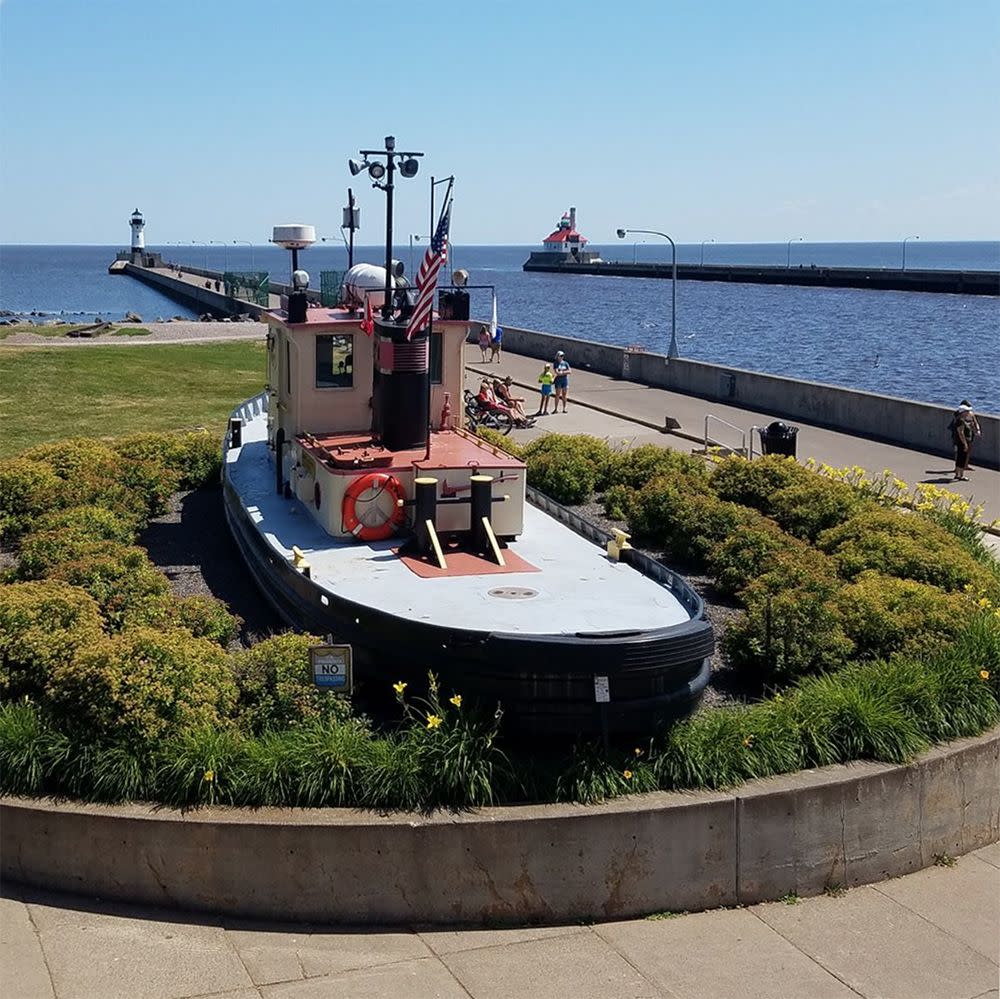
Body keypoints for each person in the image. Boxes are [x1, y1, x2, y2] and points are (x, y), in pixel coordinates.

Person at [949, 399, 982, 481]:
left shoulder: (959, 419)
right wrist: (965, 444)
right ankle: (960, 475)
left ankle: (958, 474)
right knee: (961, 458)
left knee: (960, 458)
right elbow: (961, 432)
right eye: (966, 411)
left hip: (961, 441)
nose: (968, 413)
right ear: (962, 412)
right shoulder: (960, 421)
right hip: (962, 441)